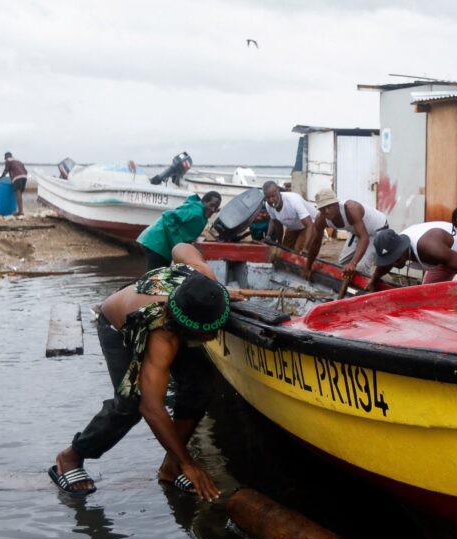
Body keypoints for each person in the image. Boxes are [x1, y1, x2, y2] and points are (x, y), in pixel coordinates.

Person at [49, 243, 241, 501]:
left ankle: (170, 468)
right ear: (188, 328)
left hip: (175, 310)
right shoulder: (163, 337)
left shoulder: (203, 280)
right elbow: (151, 407)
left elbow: (181, 247)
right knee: (129, 405)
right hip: (120, 326)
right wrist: (190, 464)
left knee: (199, 386)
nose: (214, 336)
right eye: (209, 332)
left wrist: (218, 295)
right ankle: (70, 458)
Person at [305, 189, 389, 283]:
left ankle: (365, 289)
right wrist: (308, 267)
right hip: (358, 231)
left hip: (377, 230)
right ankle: (346, 287)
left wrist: (353, 263)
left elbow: (364, 238)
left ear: (336, 203)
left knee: (360, 267)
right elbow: (315, 243)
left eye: (329, 206)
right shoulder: (320, 219)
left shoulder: (352, 209)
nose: (327, 211)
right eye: (322, 208)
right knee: (342, 264)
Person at [365, 221, 457, 290]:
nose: (393, 263)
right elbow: (384, 265)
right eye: (389, 259)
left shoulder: (429, 248)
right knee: (427, 293)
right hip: (442, 259)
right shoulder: (393, 243)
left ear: (402, 248)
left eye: (395, 257)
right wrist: (374, 281)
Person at [136, 191, 222, 271]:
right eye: (211, 205)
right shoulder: (195, 211)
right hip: (155, 244)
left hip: (161, 247)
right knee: (155, 281)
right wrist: (178, 244)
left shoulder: (202, 216)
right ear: (204, 202)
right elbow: (168, 217)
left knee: (159, 279)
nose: (213, 210)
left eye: (216, 208)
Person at [262, 180, 319, 252]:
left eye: (273, 196)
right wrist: (279, 244)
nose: (271, 200)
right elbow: (278, 226)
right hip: (294, 226)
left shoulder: (293, 200)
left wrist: (305, 248)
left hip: (311, 224)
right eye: (268, 197)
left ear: (278, 191)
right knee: (285, 250)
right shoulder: (268, 205)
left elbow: (309, 225)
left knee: (298, 250)